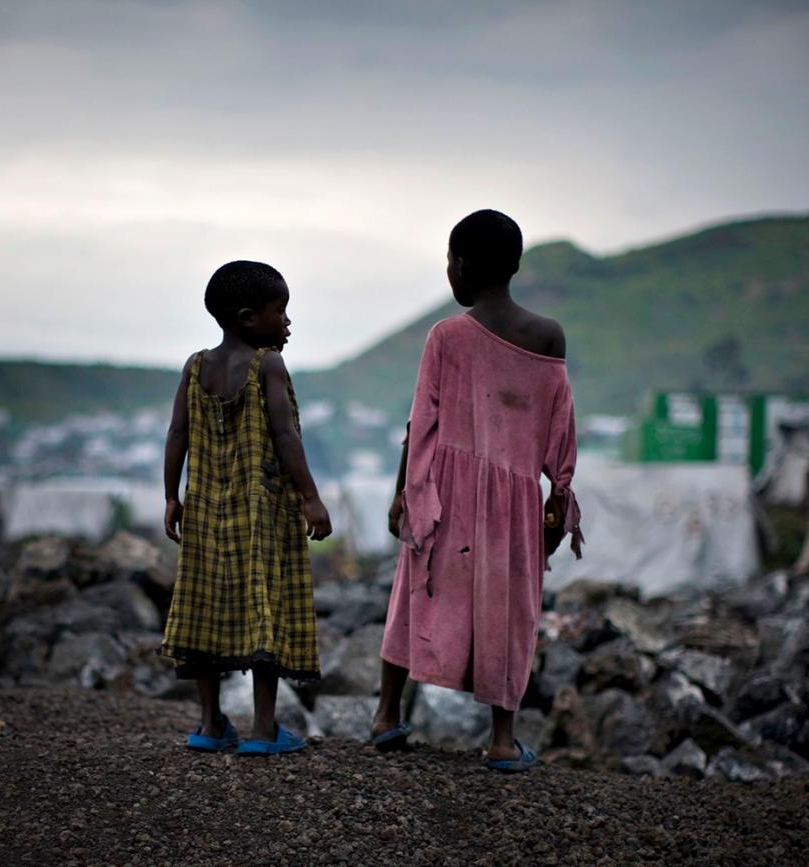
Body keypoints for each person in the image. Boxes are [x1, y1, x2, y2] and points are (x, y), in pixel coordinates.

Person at [373, 209, 583, 772]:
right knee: (510, 609)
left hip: (444, 491)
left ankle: (387, 714)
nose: (448, 270)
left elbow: (421, 424)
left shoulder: (446, 335)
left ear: (460, 265)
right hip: (514, 502)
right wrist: (558, 497)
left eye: (448, 260)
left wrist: (404, 493)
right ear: (514, 266)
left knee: (416, 590)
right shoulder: (548, 335)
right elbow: (559, 425)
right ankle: (501, 739)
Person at [160, 260, 331, 756]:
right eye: (281, 311)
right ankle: (262, 730)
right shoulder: (267, 365)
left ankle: (210, 725)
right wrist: (310, 497)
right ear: (247, 318)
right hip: (260, 513)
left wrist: (172, 496)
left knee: (204, 607)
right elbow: (285, 436)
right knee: (264, 611)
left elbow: (177, 435)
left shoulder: (196, 367)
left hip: (206, 511)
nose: (288, 322)